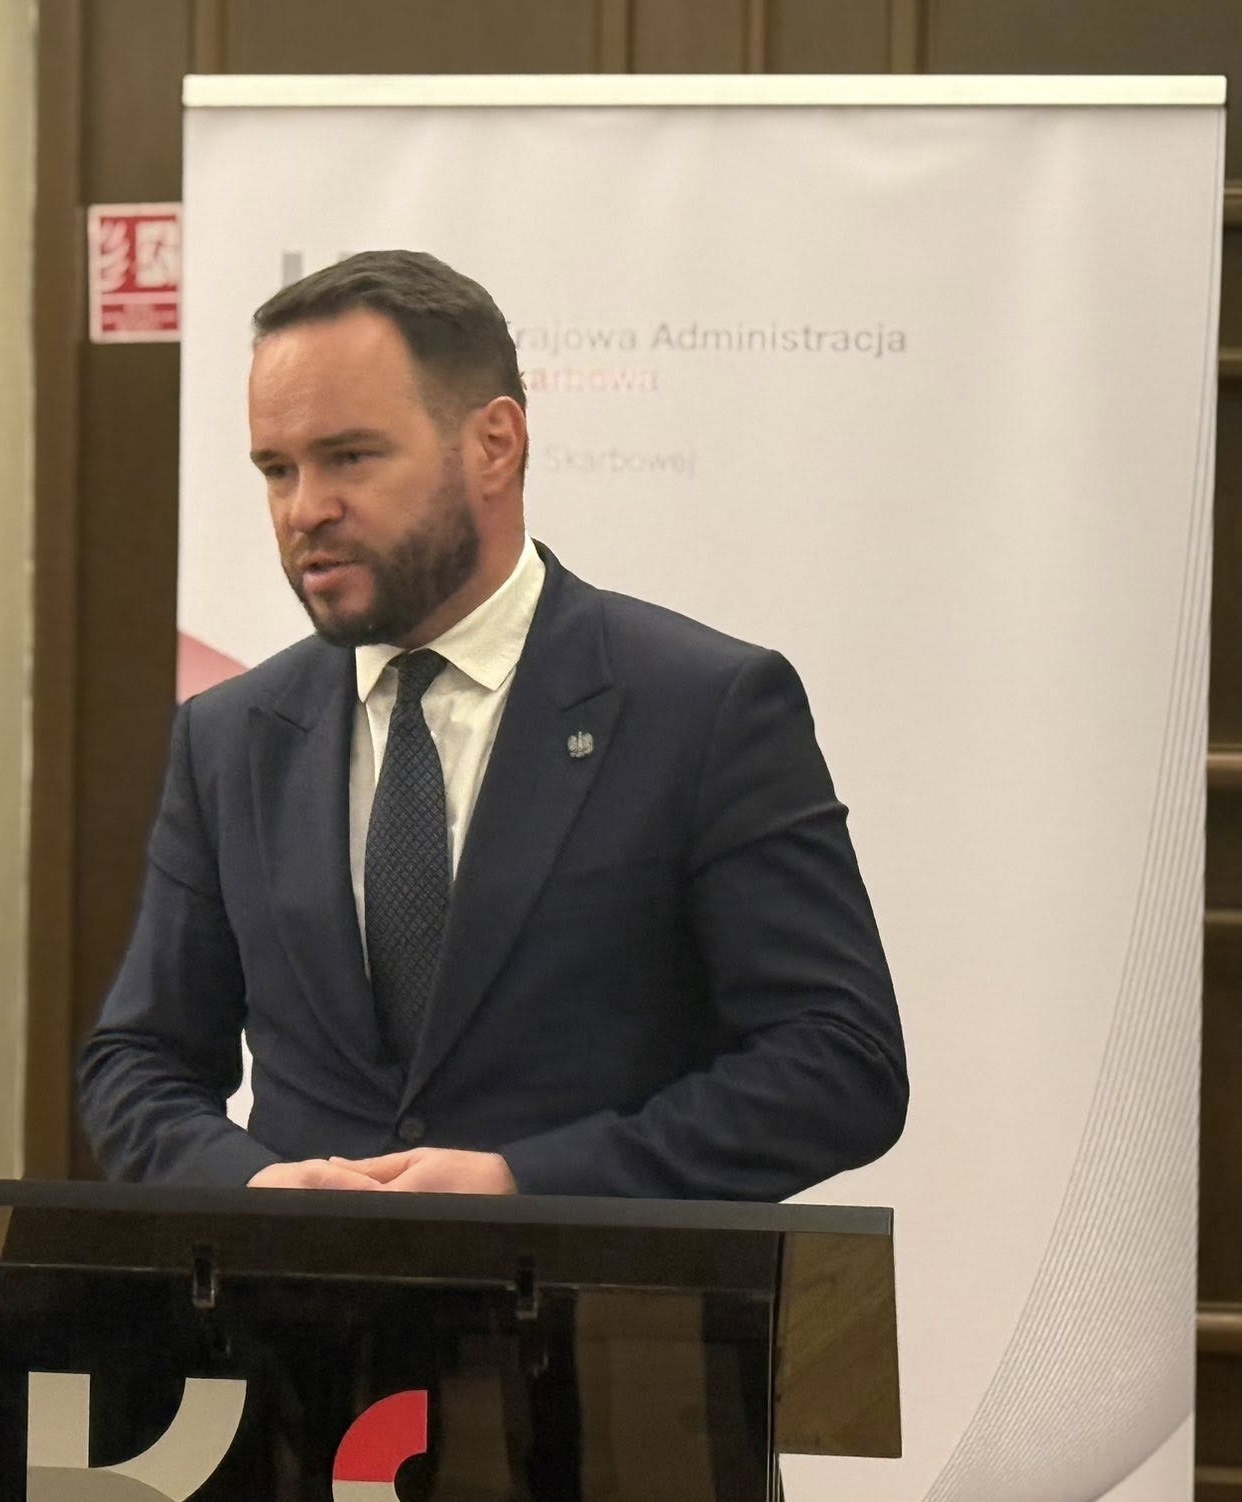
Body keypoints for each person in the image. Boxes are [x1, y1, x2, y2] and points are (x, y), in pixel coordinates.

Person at [78, 250, 907, 1197]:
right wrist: (252, 1190)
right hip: (297, 1292)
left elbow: (840, 1063)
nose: (305, 510)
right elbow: (137, 1064)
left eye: (350, 457)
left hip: (605, 1291)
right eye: (277, 469)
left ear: (495, 444)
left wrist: (530, 1186)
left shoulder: (702, 709)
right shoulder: (231, 737)